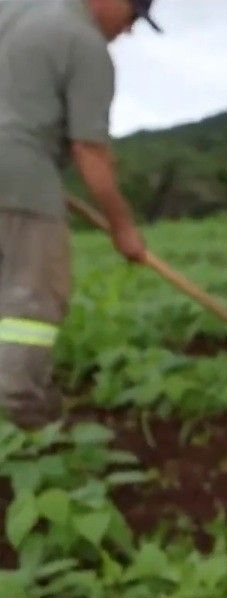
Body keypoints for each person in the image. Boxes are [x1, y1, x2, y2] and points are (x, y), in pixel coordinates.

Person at [0, 0, 161, 430]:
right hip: (21, 180)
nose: (126, 32)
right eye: (131, 19)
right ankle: (17, 416)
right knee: (29, 303)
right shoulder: (85, 45)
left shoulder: (15, 9)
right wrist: (123, 229)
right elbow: (89, 149)